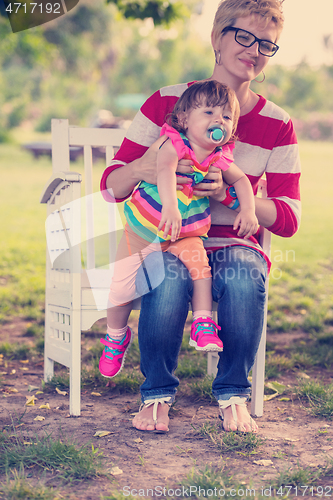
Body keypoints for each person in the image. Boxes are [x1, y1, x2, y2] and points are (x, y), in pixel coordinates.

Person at [100, 0, 301, 433]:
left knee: (246, 276)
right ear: (216, 37)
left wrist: (233, 197)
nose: (255, 50)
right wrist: (149, 167)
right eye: (243, 36)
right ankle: (156, 393)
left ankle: (233, 393)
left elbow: (288, 217)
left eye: (267, 43)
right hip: (167, 234)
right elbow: (111, 186)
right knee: (167, 278)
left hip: (230, 241)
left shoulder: (277, 123)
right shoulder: (167, 102)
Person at [99, 81, 259, 379]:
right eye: (209, 112)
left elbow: (241, 181)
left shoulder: (219, 156)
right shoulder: (171, 143)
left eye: (226, 116)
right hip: (145, 229)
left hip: (187, 234)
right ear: (184, 118)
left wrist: (248, 209)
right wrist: (170, 207)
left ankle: (202, 325)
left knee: (201, 271)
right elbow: (164, 171)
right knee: (120, 286)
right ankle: (115, 336)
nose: (218, 121)